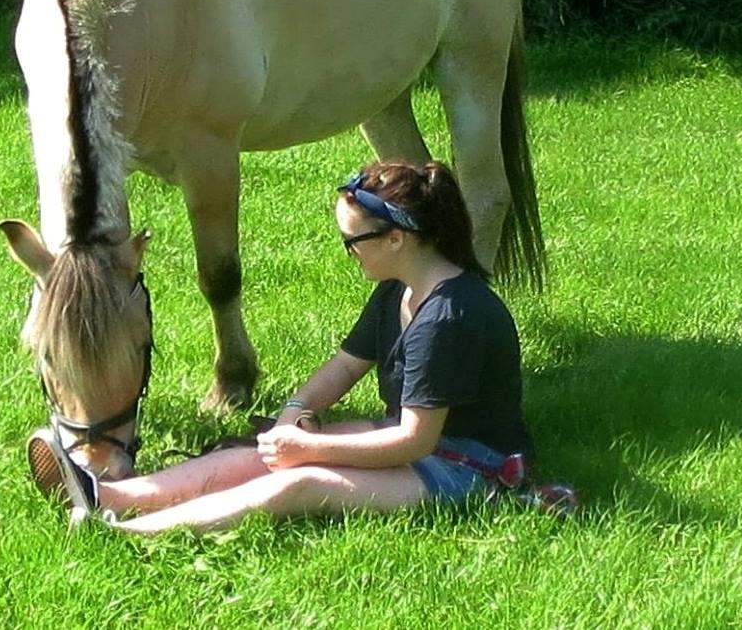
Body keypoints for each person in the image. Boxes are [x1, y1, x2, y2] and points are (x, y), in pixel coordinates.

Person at [28, 160, 553, 535]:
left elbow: (415, 442)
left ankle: (123, 533)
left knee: (300, 482)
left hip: (467, 470)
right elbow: (345, 368)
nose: (348, 253)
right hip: (422, 445)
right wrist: (295, 415)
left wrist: (310, 448)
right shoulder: (400, 289)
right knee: (265, 455)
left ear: (397, 238)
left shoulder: (449, 316)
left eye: (353, 241)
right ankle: (107, 494)